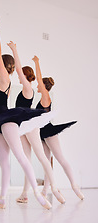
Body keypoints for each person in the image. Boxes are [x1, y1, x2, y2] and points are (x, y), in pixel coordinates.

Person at [0, 17, 55, 210]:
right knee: (3, 162)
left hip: (6, 122)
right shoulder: (2, 84)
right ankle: (2, 198)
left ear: (3, 66)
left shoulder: (5, 78)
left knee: (21, 157)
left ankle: (38, 195)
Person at [7, 41, 65, 204]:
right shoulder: (24, 89)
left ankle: (54, 188)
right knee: (26, 160)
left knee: (42, 157)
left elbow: (18, 68)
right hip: (23, 127)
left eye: (21, 74)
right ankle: (25, 193)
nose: (18, 76)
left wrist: (14, 50)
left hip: (30, 126)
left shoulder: (28, 88)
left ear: (25, 76)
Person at [32, 55, 84, 200]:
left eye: (39, 85)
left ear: (43, 86)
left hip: (49, 131)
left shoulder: (46, 97)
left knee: (61, 159)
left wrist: (36, 63)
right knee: (47, 162)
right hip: (41, 133)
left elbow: (39, 80)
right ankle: (45, 191)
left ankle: (75, 186)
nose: (37, 86)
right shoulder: (43, 98)